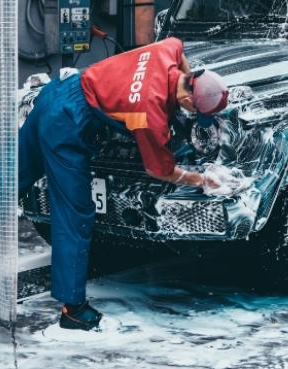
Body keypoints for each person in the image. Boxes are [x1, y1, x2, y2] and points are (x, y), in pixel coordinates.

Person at [18, 37, 230, 331]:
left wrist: (186, 82)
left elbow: (178, 45)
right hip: (67, 123)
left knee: (12, 178)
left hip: (58, 91)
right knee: (74, 214)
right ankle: (74, 311)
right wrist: (203, 180)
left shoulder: (165, 53)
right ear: (188, 100)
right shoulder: (150, 112)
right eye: (196, 112)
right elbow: (160, 170)